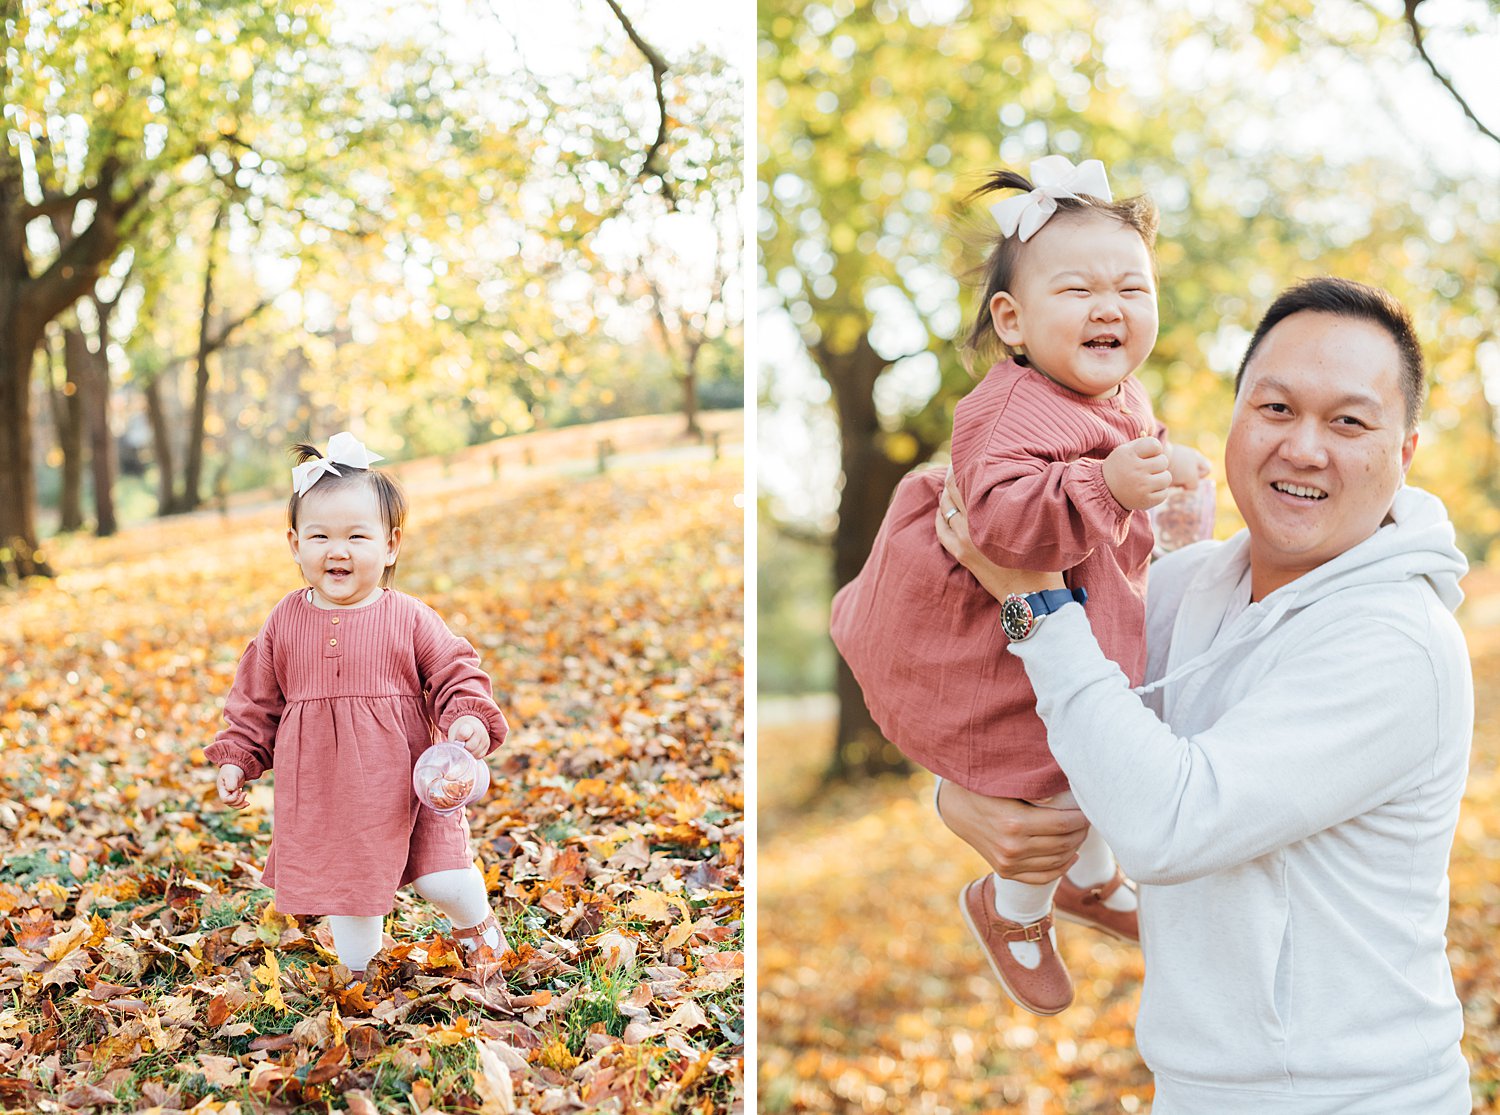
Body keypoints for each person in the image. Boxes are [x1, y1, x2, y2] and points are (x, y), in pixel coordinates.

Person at [935, 277, 1473, 1112]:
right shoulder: (1194, 586)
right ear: (1235, 418)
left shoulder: (1398, 640)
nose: (1304, 447)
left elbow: (1167, 821)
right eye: (1276, 408)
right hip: (1192, 1088)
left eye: (1349, 421)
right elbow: (1047, 713)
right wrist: (958, 798)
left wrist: (1033, 594)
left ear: (1403, 453)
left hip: (1355, 1096)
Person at [829, 155, 1209, 1015]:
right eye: (1076, 290)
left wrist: (1163, 464)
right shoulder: (1007, 406)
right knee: (1053, 773)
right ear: (1012, 320)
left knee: (1112, 742)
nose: (1109, 306)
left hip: (1081, 606)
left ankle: (1092, 878)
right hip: (989, 628)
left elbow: (1129, 450)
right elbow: (998, 521)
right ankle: (1014, 909)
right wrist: (1107, 486)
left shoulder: (1116, 390)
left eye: (1132, 288)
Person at [205, 432, 511, 980]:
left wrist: (466, 713)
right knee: (349, 894)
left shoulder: (410, 617)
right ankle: (362, 978)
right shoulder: (283, 622)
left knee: (440, 878)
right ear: (295, 544)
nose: (336, 550)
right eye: (319, 535)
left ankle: (477, 923)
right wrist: (239, 755)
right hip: (329, 790)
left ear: (390, 544)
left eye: (355, 536)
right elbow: (256, 699)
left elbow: (453, 669)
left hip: (407, 783)